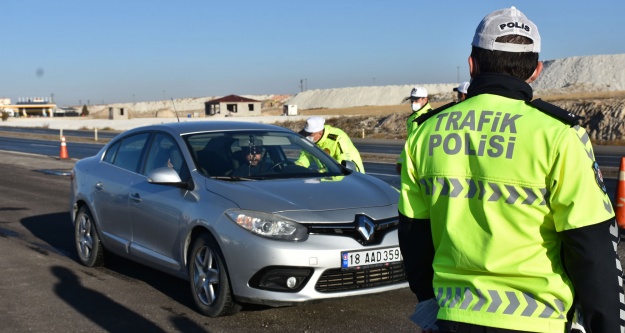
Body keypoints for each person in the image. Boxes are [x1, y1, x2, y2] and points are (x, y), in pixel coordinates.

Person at [399, 6, 624, 333]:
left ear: (472, 64)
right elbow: (592, 246)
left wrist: (433, 302)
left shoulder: (425, 133)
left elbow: (413, 236)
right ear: (536, 70)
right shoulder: (558, 134)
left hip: (453, 316)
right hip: (539, 321)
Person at [298, 117, 365, 173]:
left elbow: (343, 161)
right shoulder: (311, 141)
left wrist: (321, 172)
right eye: (305, 134)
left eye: (310, 135)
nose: (306, 137)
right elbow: (306, 156)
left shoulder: (337, 137)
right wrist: (297, 167)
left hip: (351, 174)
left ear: (320, 133)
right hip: (327, 176)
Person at [396, 87, 432, 174]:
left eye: (416, 100)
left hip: (425, 162)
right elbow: (409, 143)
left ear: (425, 99)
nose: (413, 103)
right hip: (412, 162)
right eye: (412, 100)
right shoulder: (411, 118)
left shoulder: (431, 116)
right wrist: (401, 161)